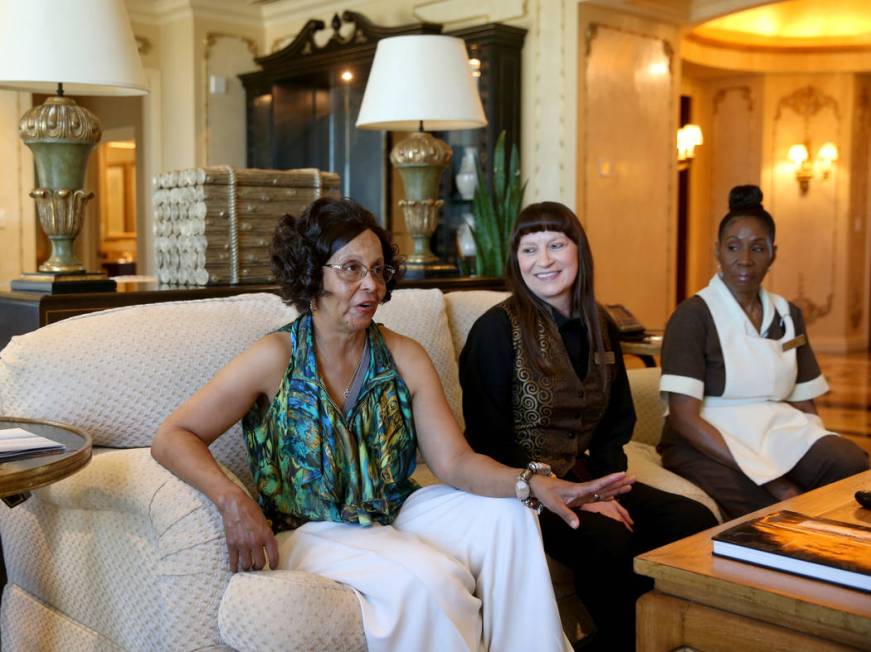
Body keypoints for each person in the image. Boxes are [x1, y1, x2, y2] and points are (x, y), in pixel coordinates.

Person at [151, 197, 636, 652]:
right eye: (352, 269)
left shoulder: (404, 354)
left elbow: (455, 461)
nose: (371, 285)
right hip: (310, 527)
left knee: (512, 515)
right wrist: (232, 500)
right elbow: (174, 436)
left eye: (379, 271)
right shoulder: (274, 357)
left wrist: (532, 484)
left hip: (396, 509)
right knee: (432, 577)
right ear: (310, 274)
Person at [459, 201, 718, 652]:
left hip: (587, 475)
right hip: (519, 490)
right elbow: (487, 437)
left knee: (691, 519)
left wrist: (603, 487)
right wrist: (569, 493)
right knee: (608, 539)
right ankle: (632, 641)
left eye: (556, 245)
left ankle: (679, 634)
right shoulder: (496, 330)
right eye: (529, 249)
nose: (544, 261)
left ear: (579, 251)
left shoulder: (602, 324)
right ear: (515, 261)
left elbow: (617, 420)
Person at [658, 184, 867, 520]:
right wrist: (778, 481)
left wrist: (812, 442)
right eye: (733, 247)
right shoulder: (693, 315)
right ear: (717, 251)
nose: (744, 260)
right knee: (777, 512)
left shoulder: (787, 314)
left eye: (758, 248)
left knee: (852, 464)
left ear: (774, 253)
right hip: (705, 438)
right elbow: (684, 417)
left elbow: (803, 400)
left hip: (774, 428)